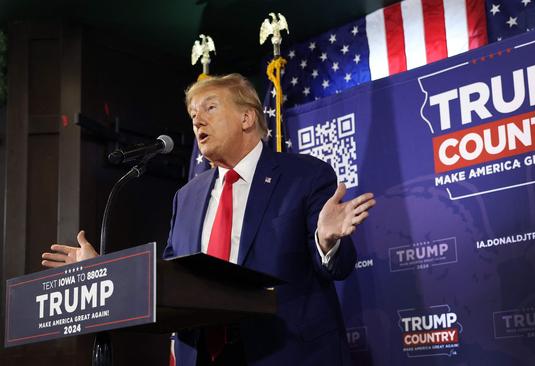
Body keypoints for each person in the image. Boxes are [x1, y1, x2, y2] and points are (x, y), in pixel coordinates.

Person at [42, 73, 376, 366]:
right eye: (192, 114)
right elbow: (171, 281)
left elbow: (340, 267)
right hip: (202, 353)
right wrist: (104, 272)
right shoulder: (186, 196)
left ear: (246, 117)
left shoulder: (304, 175)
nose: (197, 120)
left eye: (210, 108)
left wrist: (326, 241)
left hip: (285, 351)